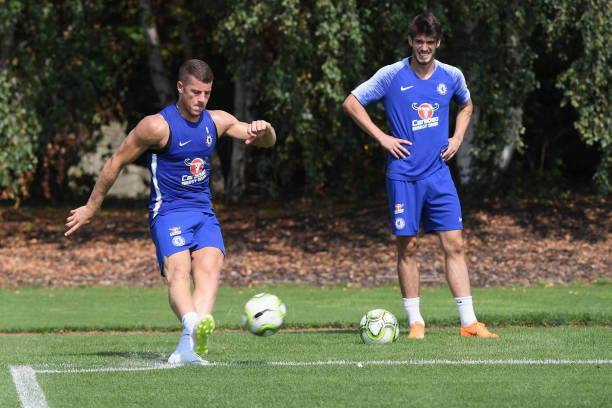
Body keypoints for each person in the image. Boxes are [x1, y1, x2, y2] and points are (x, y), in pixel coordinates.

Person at [65, 59, 277, 364]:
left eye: (206, 93)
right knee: (179, 271)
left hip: (204, 213)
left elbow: (265, 142)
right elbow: (116, 162)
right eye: (194, 92)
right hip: (169, 213)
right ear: (180, 88)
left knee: (209, 270)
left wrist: (265, 129)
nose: (201, 100)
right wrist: (91, 206)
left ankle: (189, 348)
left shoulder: (216, 121)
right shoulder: (156, 126)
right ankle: (192, 324)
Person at [343, 13, 497, 339]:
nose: (424, 48)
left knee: (454, 243)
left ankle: (469, 322)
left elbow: (467, 106)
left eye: (430, 42)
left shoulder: (451, 76)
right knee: (408, 246)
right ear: (410, 41)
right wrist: (382, 138)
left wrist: (457, 138)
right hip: (403, 177)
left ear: (438, 43)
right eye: (419, 42)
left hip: (439, 175)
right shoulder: (391, 75)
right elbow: (352, 102)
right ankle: (416, 322)